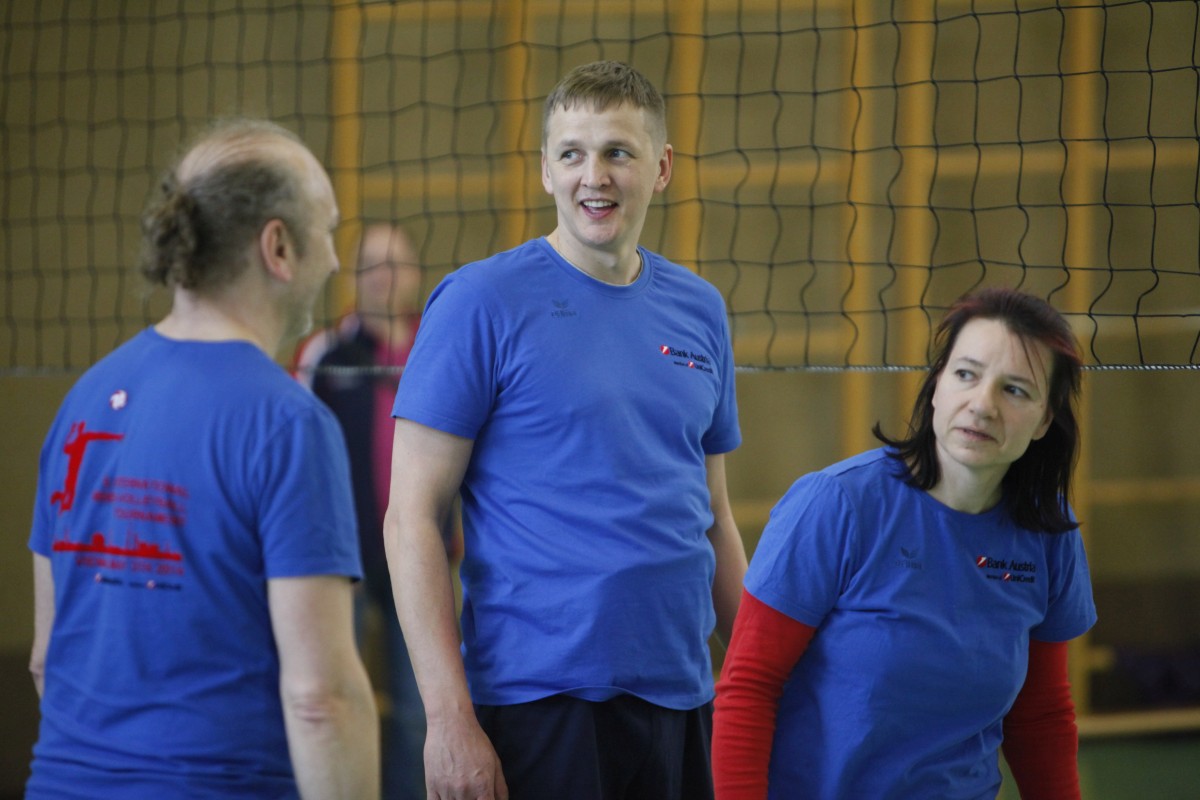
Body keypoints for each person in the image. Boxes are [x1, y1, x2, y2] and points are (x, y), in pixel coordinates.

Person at [385, 60, 747, 800]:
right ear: (546, 170)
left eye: (617, 152)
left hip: (683, 698)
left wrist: (758, 676)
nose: (594, 176)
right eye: (572, 154)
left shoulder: (701, 309)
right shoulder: (480, 301)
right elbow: (411, 516)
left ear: (662, 167)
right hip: (538, 706)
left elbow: (714, 517)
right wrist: (449, 722)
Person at [26, 119, 380, 800]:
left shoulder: (83, 402)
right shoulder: (289, 424)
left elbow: (47, 660)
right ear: (279, 247)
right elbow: (320, 699)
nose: (337, 262)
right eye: (327, 230)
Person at [712, 287, 1098, 799]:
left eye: (1015, 390)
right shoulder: (837, 504)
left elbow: (1041, 713)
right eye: (966, 374)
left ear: (1045, 419)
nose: (982, 405)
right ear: (937, 384)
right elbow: (748, 686)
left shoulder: (1048, 533)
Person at [294, 223, 454, 800]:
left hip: (424, 554)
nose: (385, 276)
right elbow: (300, 455)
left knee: (422, 707)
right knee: (336, 701)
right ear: (355, 277)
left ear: (414, 274)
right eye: (372, 265)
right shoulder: (326, 355)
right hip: (347, 557)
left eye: (396, 263)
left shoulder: (439, 348)